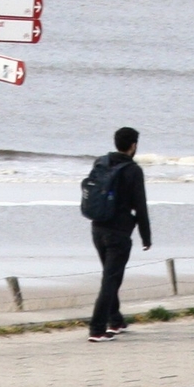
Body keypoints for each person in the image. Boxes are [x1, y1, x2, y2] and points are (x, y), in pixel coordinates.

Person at [81, 125, 151, 342]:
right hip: (118, 233)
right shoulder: (133, 170)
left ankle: (116, 320)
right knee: (111, 280)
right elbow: (140, 206)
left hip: (97, 227)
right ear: (134, 146)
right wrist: (146, 236)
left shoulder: (101, 162)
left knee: (110, 276)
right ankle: (97, 329)